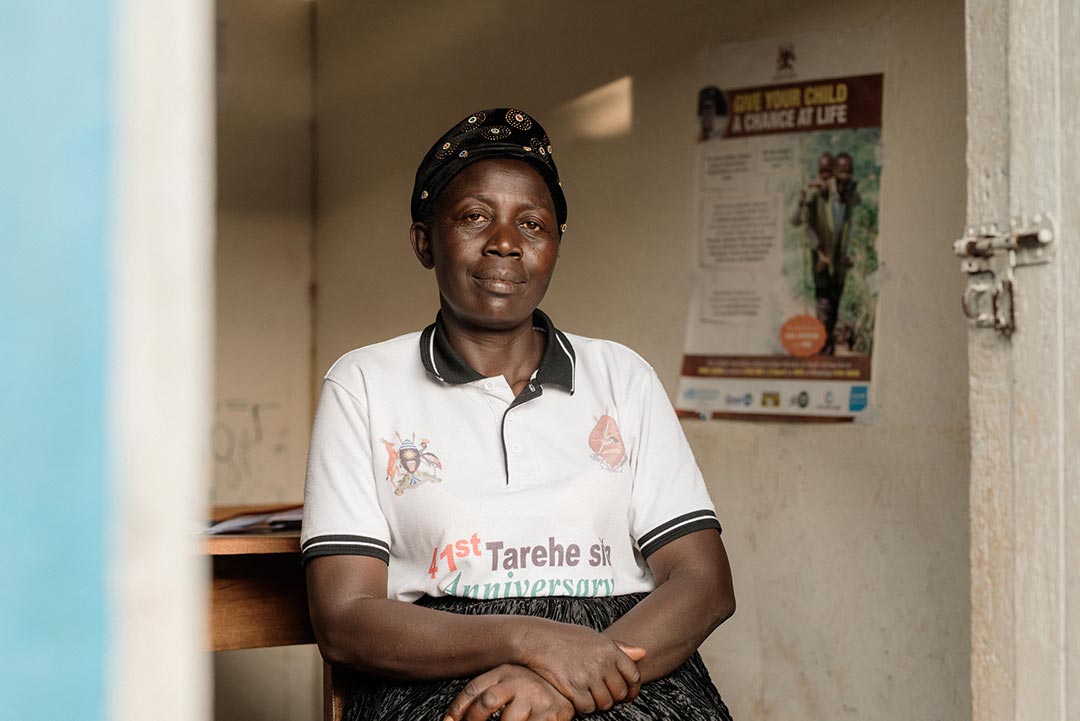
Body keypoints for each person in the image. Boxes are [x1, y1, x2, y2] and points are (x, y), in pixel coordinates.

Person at [302, 108, 736, 721]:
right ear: (425, 241)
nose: (505, 242)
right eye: (476, 217)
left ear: (556, 244)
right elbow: (344, 619)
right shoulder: (364, 383)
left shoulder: (622, 376)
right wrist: (529, 641)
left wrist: (569, 676)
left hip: (627, 660)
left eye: (532, 223)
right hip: (440, 669)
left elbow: (704, 583)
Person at [791, 151, 860, 354]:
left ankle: (827, 353)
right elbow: (800, 222)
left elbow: (852, 229)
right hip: (821, 265)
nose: (844, 177)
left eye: (848, 173)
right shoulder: (818, 193)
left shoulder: (852, 197)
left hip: (839, 268)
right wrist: (803, 198)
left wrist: (851, 254)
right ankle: (823, 357)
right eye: (840, 172)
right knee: (824, 311)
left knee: (834, 311)